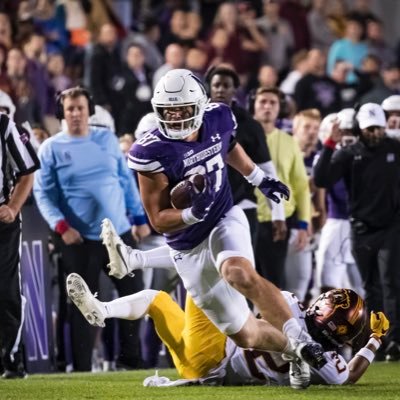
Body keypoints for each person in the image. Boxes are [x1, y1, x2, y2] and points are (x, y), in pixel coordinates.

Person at [114, 68, 326, 388]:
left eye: (183, 109)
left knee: (237, 272)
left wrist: (258, 178)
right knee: (245, 333)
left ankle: (302, 337)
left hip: (225, 215)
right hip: (186, 245)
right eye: (168, 111)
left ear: (200, 105)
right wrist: (189, 214)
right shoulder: (150, 151)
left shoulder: (219, 117)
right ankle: (294, 352)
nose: (175, 117)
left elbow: (228, 147)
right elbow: (157, 218)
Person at [66, 271, 389, 387]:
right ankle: (102, 310)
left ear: (321, 311)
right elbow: (350, 375)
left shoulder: (288, 306)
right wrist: (374, 340)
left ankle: (133, 261)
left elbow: (256, 303)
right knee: (157, 299)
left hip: (214, 350)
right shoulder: (329, 366)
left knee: (201, 263)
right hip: (199, 366)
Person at [33, 86, 151, 371]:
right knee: (84, 306)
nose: (75, 114)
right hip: (78, 238)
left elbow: (125, 180)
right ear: (62, 113)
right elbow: (43, 193)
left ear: (89, 111)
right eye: (70, 109)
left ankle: (132, 362)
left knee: (134, 296)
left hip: (119, 233)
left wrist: (138, 218)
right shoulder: (51, 148)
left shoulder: (107, 140)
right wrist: (61, 227)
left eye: (80, 108)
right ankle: (83, 367)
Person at [314, 102, 400, 362]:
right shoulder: (350, 153)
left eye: (379, 128)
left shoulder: (395, 148)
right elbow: (322, 179)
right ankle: (377, 339)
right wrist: (330, 144)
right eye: (370, 128)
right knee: (370, 286)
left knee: (389, 282)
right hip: (361, 227)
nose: (375, 133)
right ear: (361, 129)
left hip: (391, 226)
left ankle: (395, 338)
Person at [204, 66, 283, 243]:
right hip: (204, 208)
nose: (220, 89)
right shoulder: (195, 121)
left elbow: (267, 170)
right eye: (216, 85)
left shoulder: (249, 125)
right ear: (209, 87)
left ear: (235, 90)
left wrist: (278, 215)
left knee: (244, 269)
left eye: (226, 85)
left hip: (241, 205)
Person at [0, 90, 40, 378]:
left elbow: (27, 170)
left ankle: (11, 360)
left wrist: (13, 207)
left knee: (6, 290)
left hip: (1, 222)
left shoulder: (3, 125)